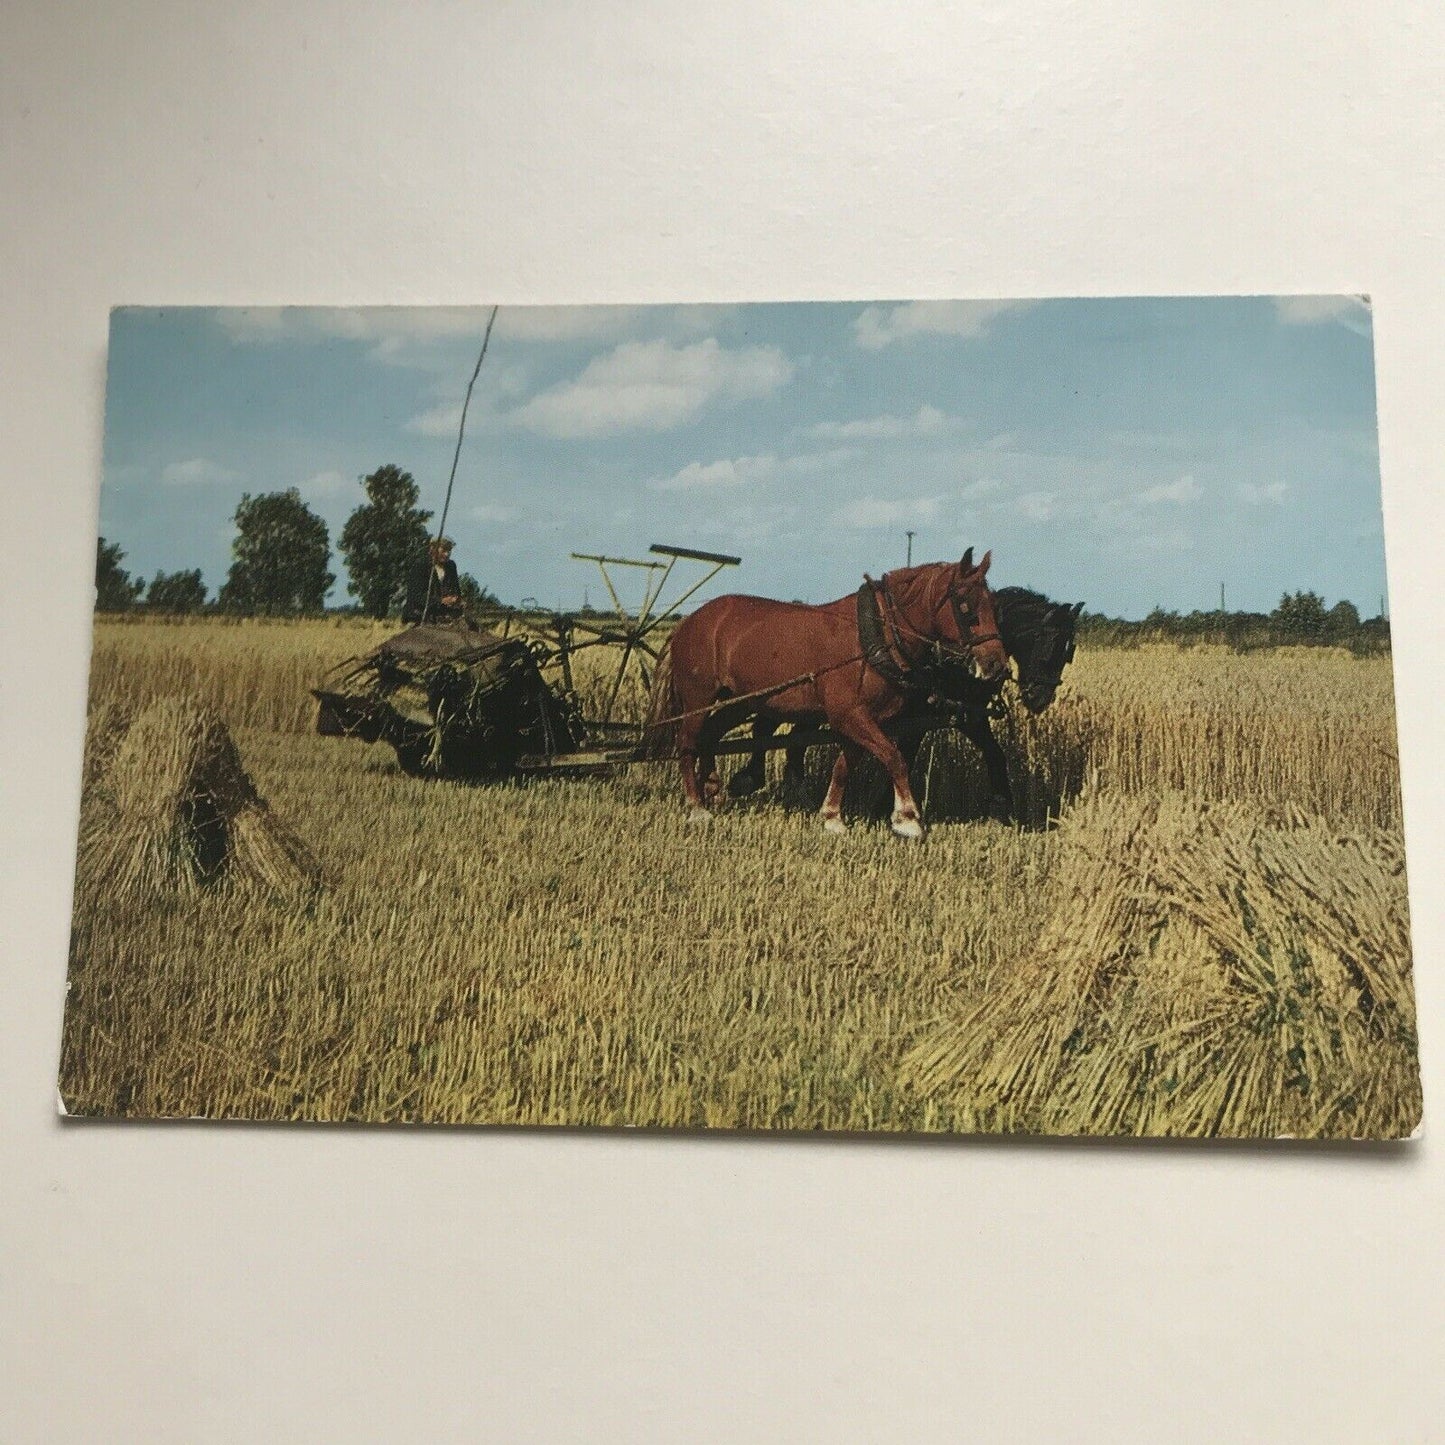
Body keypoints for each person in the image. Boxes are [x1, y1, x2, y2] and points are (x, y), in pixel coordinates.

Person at [403, 537, 463, 624]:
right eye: (444, 550)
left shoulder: (451, 566)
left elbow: (456, 590)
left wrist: (457, 600)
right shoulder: (420, 566)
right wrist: (441, 601)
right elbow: (416, 596)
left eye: (449, 551)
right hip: (418, 615)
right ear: (433, 549)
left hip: (442, 615)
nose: (447, 554)